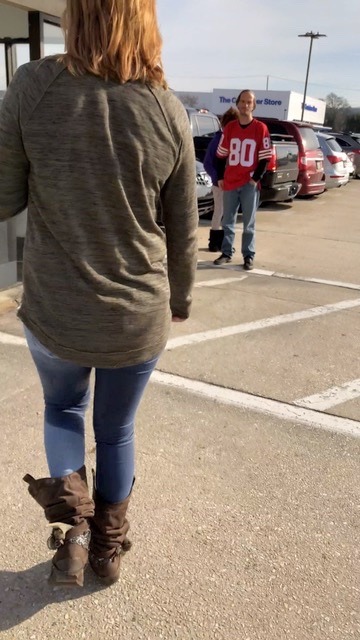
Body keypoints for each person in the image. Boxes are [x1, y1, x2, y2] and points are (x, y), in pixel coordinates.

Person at [0, 0, 198, 588]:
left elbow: (4, 197)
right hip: (136, 313)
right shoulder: (166, 108)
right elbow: (184, 226)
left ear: (76, 17)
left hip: (56, 306)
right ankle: (108, 549)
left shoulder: (34, 84)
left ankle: (77, 532)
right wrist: (181, 296)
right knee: (116, 430)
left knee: (63, 409)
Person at [213, 90, 272, 270]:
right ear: (237, 103)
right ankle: (227, 252)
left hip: (248, 183)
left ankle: (248, 255)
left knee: (248, 223)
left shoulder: (260, 128)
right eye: (243, 101)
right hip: (231, 181)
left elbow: (265, 157)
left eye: (249, 102)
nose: (245, 105)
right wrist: (221, 177)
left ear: (253, 105)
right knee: (228, 220)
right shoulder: (230, 128)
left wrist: (255, 179)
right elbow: (220, 156)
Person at [203, 107, 239, 252]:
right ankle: (215, 242)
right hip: (220, 183)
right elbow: (207, 163)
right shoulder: (218, 139)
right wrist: (217, 178)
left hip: (230, 182)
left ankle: (222, 242)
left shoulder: (231, 139)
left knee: (226, 212)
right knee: (220, 211)